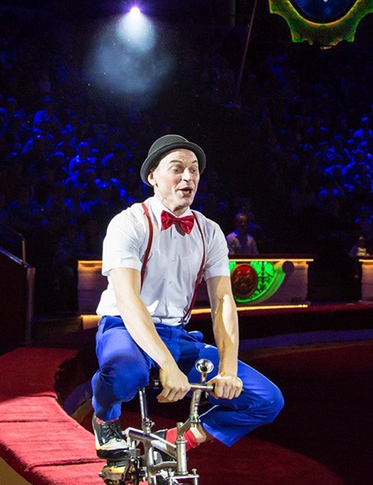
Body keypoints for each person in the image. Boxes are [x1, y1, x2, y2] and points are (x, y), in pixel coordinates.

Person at [91, 134, 284, 462]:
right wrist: (167, 364)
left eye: (194, 170)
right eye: (177, 169)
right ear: (153, 176)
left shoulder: (209, 231)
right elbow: (127, 299)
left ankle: (182, 437)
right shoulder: (128, 223)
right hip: (124, 327)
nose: (188, 177)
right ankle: (105, 419)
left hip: (177, 336)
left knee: (267, 399)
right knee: (126, 373)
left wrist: (228, 369)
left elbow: (223, 301)